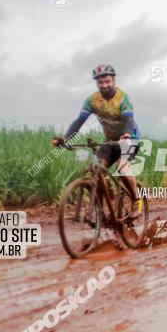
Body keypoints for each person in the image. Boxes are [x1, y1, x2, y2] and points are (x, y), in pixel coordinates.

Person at [51, 63, 144, 219]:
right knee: (97, 169)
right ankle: (100, 210)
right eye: (100, 82)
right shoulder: (92, 100)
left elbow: (128, 119)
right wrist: (67, 139)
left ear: (113, 80)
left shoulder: (123, 98)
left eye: (107, 81)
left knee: (122, 169)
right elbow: (79, 121)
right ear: (97, 83)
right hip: (109, 141)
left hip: (130, 138)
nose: (104, 85)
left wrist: (127, 134)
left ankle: (136, 201)